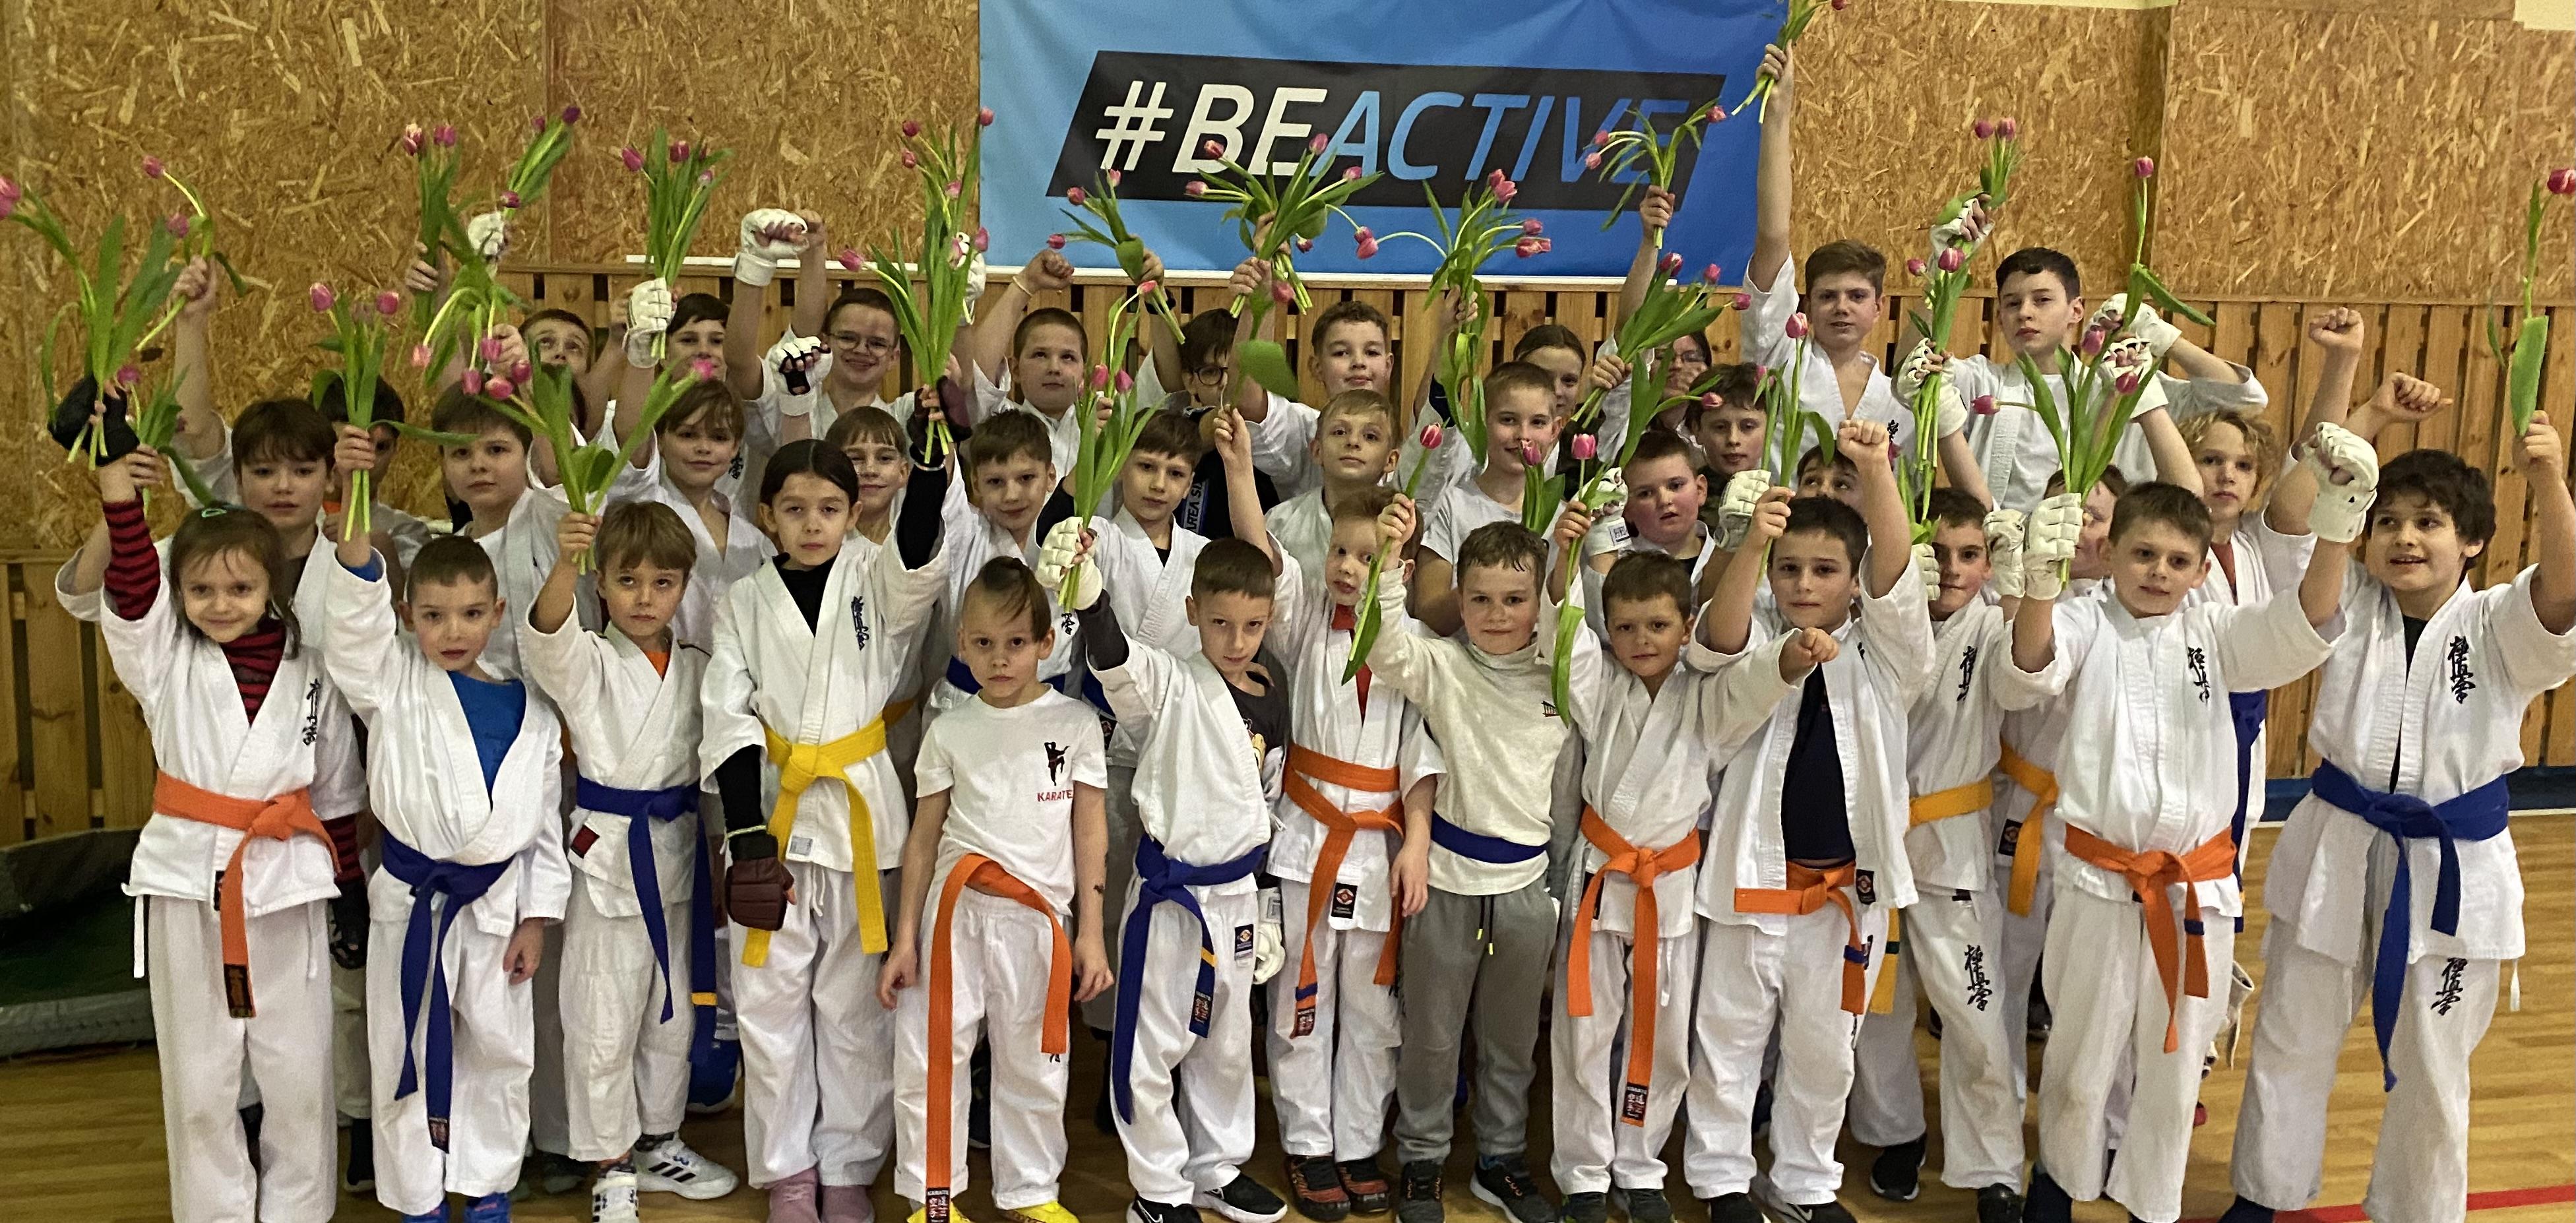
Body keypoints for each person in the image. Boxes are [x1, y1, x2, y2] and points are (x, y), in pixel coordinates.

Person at [1998, 430, 2377, 1223]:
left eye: (2177, 561)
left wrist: (2338, 524)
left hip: (2196, 888)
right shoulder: (2083, 621)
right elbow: (2028, 671)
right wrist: (2036, 582)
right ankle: (2056, 1186)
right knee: (2080, 1051)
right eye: (2142, 555)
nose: (2158, 573)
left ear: (2202, 571)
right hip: (2099, 882)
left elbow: (2305, 623)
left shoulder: (2215, 634)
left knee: (2173, 1065)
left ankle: (2153, 1203)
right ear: (2110, 554)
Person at [2220, 402, 2575, 1222]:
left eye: (2427, 522)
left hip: (2453, 862)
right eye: (2385, 522)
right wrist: (2359, 434)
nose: (2403, 538)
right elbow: (2290, 522)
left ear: (2471, 541)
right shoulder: (2345, 598)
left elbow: (2562, 592)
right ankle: (2261, 1196)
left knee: (2432, 1060)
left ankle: (2416, 1212)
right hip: (2336, 839)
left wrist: (2549, 481)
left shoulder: (2496, 622)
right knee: (2291, 1031)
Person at [88, 436, 362, 1223]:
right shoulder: (163, 658)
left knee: (297, 1070)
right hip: (188, 880)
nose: (219, 603)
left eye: (240, 587)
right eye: (201, 589)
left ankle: (298, 1210)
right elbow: (131, 588)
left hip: (289, 879)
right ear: (178, 595)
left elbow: (336, 790)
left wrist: (348, 891)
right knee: (201, 1074)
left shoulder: (311, 668)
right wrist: (118, 492)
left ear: (271, 587)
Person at [1682, 418, 1932, 1223]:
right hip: (1751, 882)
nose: (1803, 584)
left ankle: (1804, 1182)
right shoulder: (1752, 635)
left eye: (1824, 570)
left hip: (1842, 895)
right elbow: (1716, 648)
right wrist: (1753, 545)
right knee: (1728, 1041)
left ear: (1853, 583)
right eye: (1788, 569)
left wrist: (1875, 468)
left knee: (1826, 1052)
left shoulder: (1886, 655)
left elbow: (1897, 581)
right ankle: (1721, 1181)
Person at [701, 439, 951, 1223]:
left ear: (854, 512)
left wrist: (929, 470)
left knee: (854, 1013)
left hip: (859, 822)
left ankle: (846, 1167)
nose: (812, 524)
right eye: (795, 509)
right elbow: (726, 714)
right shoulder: (741, 600)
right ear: (766, 516)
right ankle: (788, 1174)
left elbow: (917, 552)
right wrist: (746, 830)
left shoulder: (876, 578)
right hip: (773, 823)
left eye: (829, 509)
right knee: (768, 1010)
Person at [324, 466, 571, 1222]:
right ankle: (419, 1200)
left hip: (497, 905)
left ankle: (489, 1190)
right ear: (407, 616)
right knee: (403, 1049)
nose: (452, 632)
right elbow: (354, 624)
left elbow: (543, 828)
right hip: (412, 902)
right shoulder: (390, 679)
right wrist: (355, 505)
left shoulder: (532, 710)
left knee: (500, 1050)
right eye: (433, 616)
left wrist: (537, 918)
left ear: (498, 613)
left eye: (468, 614)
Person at [1039, 526, 1293, 1223]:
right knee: (1150, 1044)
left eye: (1251, 626)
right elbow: (1115, 659)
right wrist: (1091, 600)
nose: (1235, 640)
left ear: (1269, 619)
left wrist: (1268, 904)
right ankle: (1157, 1187)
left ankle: (1216, 1167)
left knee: (1226, 1043)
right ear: (1191, 612)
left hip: (1237, 895)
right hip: (1173, 900)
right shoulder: (1171, 683)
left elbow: (1269, 799)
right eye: (1219, 623)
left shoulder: (1272, 692)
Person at [1551, 550, 1804, 1223]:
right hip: (1601, 876)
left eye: (1658, 626)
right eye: (1625, 627)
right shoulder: (1601, 687)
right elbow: (1564, 637)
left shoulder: (1705, 696)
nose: (1641, 641)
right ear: (1608, 629)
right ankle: (1583, 1173)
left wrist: (1792, 658)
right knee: (1582, 1033)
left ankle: (1640, 1166)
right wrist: (1564, 558)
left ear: (1687, 627)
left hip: (1666, 885)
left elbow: (1754, 683)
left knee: (1660, 1036)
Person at [1366, 507, 1601, 1223]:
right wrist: (1388, 562)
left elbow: (1574, 642)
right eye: (1480, 599)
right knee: (1432, 1037)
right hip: (1445, 883)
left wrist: (1566, 561)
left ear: (1538, 602)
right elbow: (1384, 650)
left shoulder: (1560, 677)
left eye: (1515, 599)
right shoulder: (1442, 665)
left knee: (1510, 1041)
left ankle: (1499, 1160)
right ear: (1457, 600)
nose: (1497, 615)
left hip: (1526, 889)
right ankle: (1421, 1158)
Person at [522, 502, 743, 1223]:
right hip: (609, 860)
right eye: (627, 581)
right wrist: (566, 561)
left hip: (679, 852)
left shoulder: (698, 666)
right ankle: (609, 1164)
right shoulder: (588, 659)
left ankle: (658, 1140)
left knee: (669, 1014)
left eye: (663, 583)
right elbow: (547, 635)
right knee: (601, 1016)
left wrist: (721, 851)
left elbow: (716, 763)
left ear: (684, 587)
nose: (645, 598)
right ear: (601, 585)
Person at [879, 557, 1115, 1223]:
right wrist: (904, 938)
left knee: (1036, 1062)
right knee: (933, 1056)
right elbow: (922, 840)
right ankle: (932, 1196)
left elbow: (1090, 830)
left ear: (1046, 643)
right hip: (955, 916)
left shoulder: (1074, 724)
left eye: (1016, 642)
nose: (1000, 659)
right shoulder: (950, 728)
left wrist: (1091, 935)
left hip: (1039, 920)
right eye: (983, 643)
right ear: (961, 643)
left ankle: (1031, 1192)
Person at [1241, 482, 1443, 1219]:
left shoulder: (1412, 649)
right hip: (1307, 835)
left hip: (1378, 848)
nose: (1348, 568)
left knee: (1372, 1007)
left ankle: (1357, 1142)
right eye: (1339, 552)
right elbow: (1264, 556)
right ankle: (1307, 1142)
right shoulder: (1304, 628)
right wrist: (1237, 466)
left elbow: (1422, 756)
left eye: (1367, 557)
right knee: (1301, 996)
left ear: (1400, 569)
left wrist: (1415, 843)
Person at [1840, 488, 2030, 1221]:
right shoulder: (1871, 621)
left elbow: (2022, 683)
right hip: (1872, 840)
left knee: (1975, 1010)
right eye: (1937, 552)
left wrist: (2018, 592)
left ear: (1988, 564)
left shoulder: (1994, 626)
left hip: (1953, 845)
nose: (1951, 569)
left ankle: (1993, 1164)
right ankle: (1895, 1133)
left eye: (1969, 555)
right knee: (1877, 1005)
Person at [1740, 44, 1989, 505]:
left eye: (1856, 296)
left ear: (1878, 309)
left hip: (1875, 546)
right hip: (1786, 539)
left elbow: (1922, 337)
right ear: (1805, 307)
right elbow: (1772, 234)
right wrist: (1778, 113)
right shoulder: (1778, 358)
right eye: (1827, 296)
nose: (1841, 307)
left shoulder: (1898, 390)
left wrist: (1947, 258)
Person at [1949, 246, 2257, 514]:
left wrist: (2162, 337)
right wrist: (1946, 265)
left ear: (2076, 311)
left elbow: (2244, 400)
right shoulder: (1983, 382)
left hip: (2099, 550)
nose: (2025, 313)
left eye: (2042, 300)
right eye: (2012, 303)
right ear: (2000, 318)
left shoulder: (2120, 383)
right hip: (2004, 550)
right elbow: (1923, 365)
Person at [1412, 362, 1567, 636]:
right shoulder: (1450, 506)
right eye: (1508, 420)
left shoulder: (1563, 519)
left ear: (1555, 430)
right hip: (1460, 657)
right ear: (1482, 421)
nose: (1523, 436)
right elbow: (1428, 615)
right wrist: (1487, 586)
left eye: (1538, 423)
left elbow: (1562, 618)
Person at [1262, 389, 1403, 584]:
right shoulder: (1280, 522)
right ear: (1317, 451)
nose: (1353, 442)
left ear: (1391, 460)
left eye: (1370, 436)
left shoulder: (1396, 528)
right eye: (1340, 432)